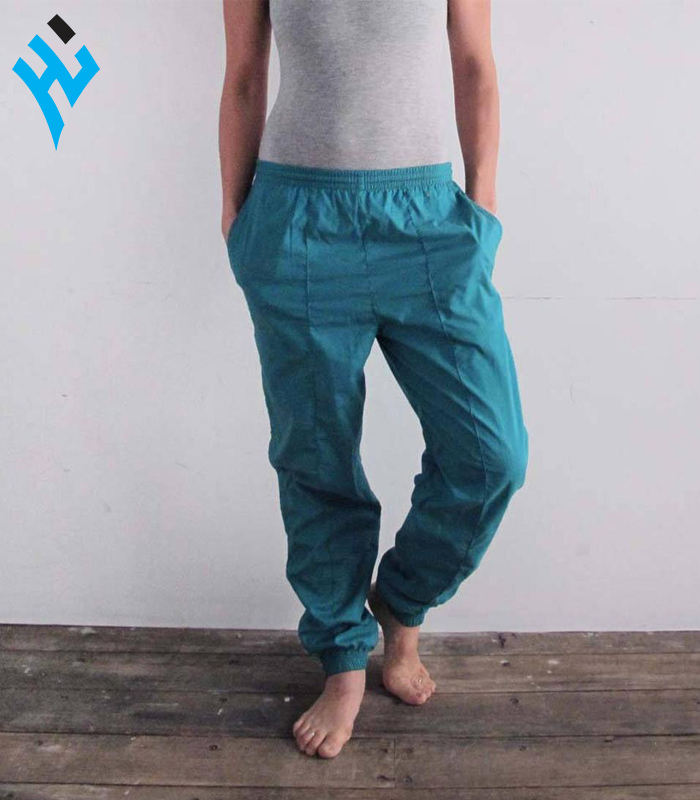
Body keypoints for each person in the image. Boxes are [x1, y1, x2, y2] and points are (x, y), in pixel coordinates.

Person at [218, 0, 528, 759]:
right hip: (295, 220)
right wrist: (236, 217)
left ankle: (401, 603)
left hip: (429, 221)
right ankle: (342, 657)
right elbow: (246, 74)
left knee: (491, 456)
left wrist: (483, 205)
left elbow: (475, 65)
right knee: (315, 456)